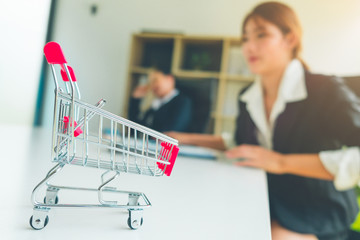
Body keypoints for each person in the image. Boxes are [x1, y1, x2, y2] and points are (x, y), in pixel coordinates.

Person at [166, 2, 360, 239]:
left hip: (318, 208)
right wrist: (186, 138)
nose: (249, 46)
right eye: (245, 38)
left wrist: (281, 162)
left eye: (261, 35)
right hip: (268, 195)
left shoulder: (325, 90)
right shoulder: (248, 96)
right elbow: (243, 143)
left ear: (290, 39)